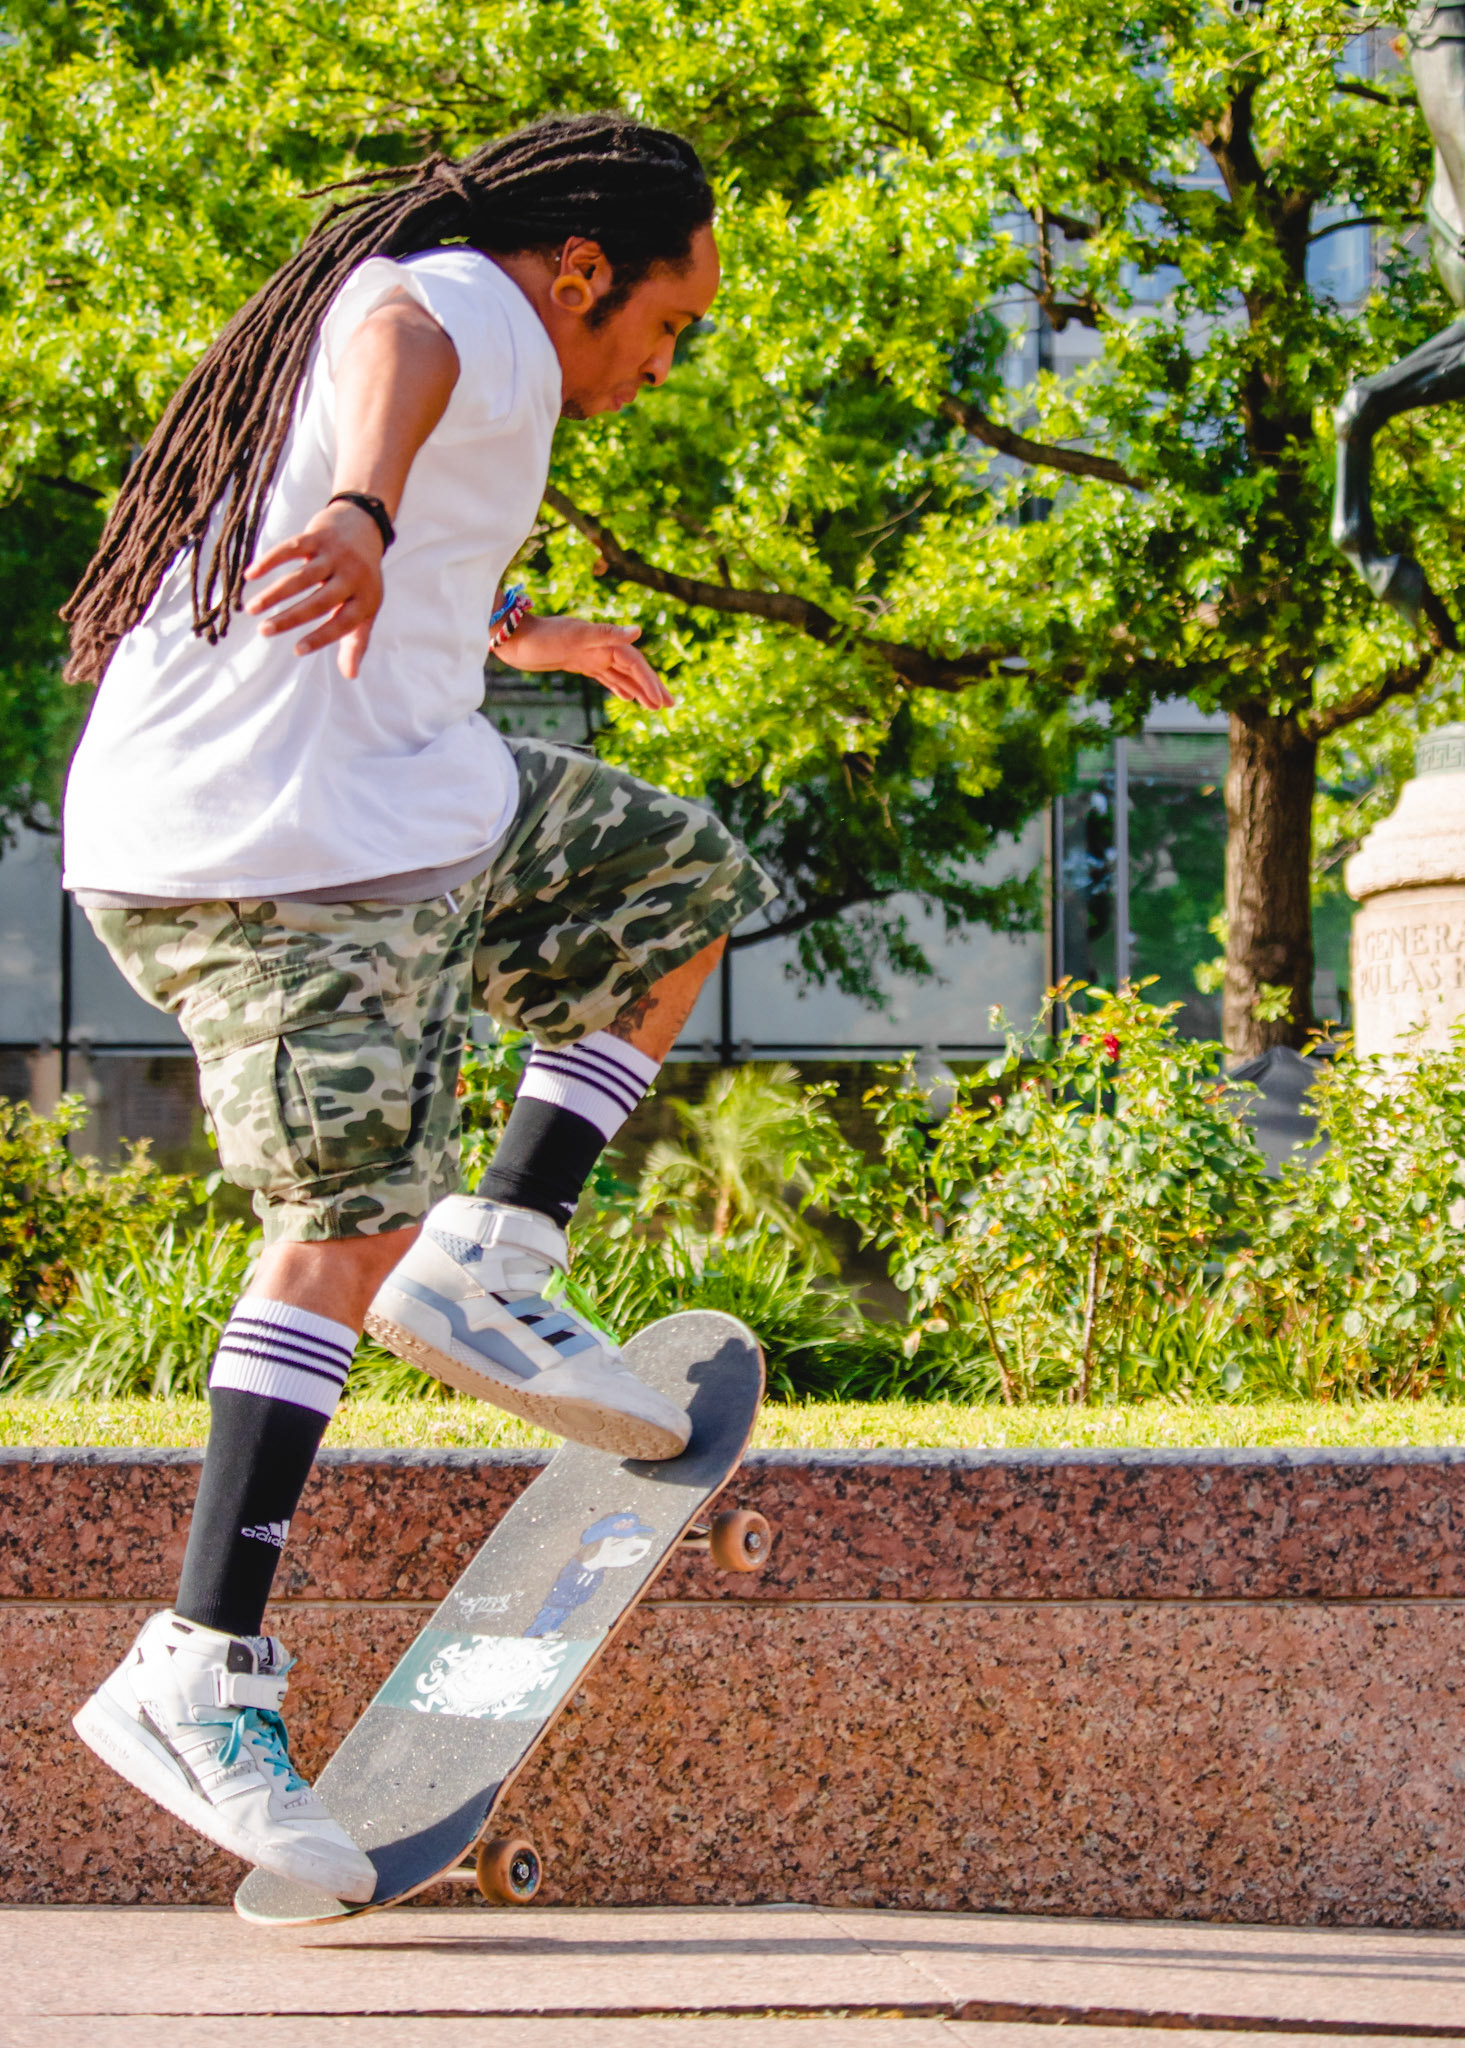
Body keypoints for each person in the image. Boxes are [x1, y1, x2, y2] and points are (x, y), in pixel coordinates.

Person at [59, 112, 774, 1903]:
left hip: (406, 807)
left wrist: (511, 628)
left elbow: (418, 485)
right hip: (260, 855)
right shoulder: (462, 301)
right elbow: (397, 339)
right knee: (340, 1228)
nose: (661, 367)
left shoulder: (498, 356)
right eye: (666, 328)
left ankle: (496, 1258)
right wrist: (363, 511)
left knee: (676, 889)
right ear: (584, 271)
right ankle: (194, 1671)